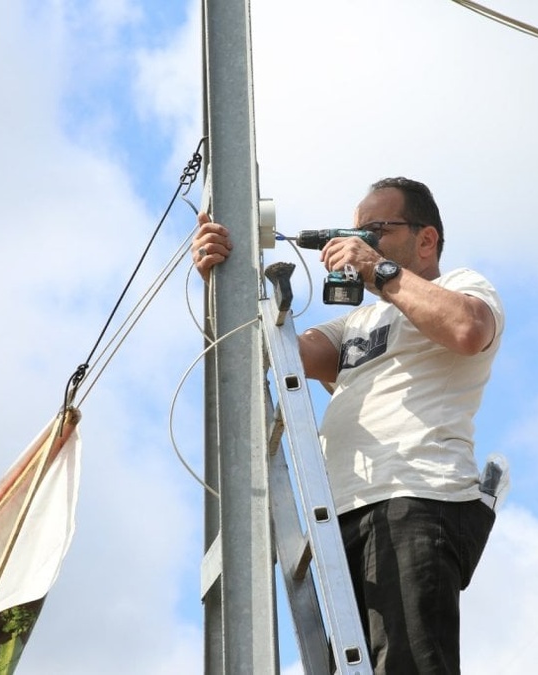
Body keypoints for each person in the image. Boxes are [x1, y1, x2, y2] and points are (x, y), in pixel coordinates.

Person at [193, 177, 504, 674]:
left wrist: (375, 269)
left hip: (416, 497)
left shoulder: (461, 286)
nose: (361, 241)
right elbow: (268, 354)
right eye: (358, 232)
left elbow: (469, 330)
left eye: (377, 230)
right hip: (341, 518)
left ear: (426, 239)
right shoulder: (357, 326)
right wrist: (222, 280)